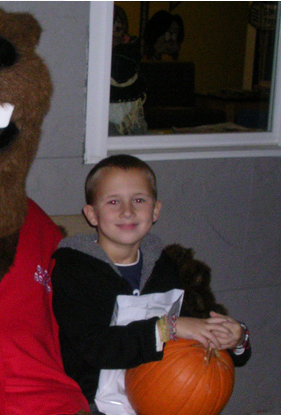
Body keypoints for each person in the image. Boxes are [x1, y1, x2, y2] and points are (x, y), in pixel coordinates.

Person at [51, 154, 251, 414]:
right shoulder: (72, 270)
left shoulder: (168, 266)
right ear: (92, 214)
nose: (127, 211)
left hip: (163, 394)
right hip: (90, 401)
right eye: (113, 201)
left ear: (155, 210)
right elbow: (95, 347)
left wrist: (235, 338)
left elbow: (198, 331)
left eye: (139, 200)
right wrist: (170, 329)